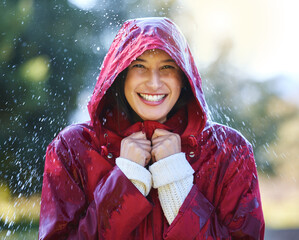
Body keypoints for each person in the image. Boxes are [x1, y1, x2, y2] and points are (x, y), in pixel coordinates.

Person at [39, 17, 265, 239]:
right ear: (121, 74)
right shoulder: (72, 147)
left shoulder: (229, 149)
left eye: (167, 67)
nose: (154, 83)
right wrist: (125, 180)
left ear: (183, 77)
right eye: (140, 66)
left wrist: (176, 184)